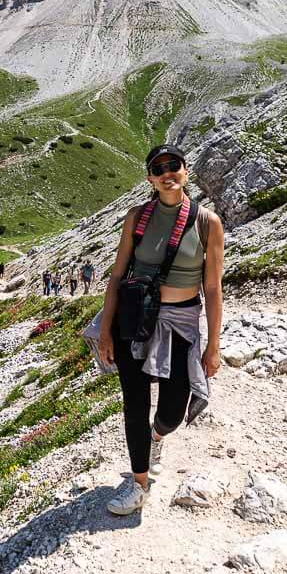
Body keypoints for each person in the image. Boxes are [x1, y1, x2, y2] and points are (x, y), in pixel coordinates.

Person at [93, 144, 224, 517]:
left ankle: (157, 437)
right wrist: (105, 330)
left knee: (172, 409)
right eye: (158, 168)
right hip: (134, 320)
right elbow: (118, 274)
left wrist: (213, 346)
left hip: (181, 323)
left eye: (174, 166)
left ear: (186, 170)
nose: (168, 173)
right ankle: (138, 484)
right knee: (134, 404)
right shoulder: (137, 216)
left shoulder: (207, 222)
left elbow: (213, 288)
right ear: (149, 178)